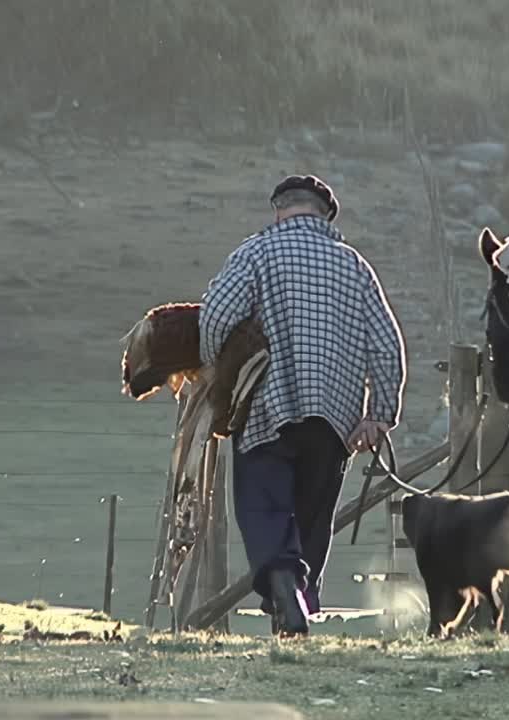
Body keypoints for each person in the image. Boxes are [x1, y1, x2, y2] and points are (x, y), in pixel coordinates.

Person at [198, 174, 407, 637]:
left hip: (266, 413)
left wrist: (221, 374)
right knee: (313, 516)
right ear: (325, 214)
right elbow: (387, 346)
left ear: (279, 210)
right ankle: (300, 607)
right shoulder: (354, 266)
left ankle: (284, 589)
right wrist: (378, 416)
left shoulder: (255, 253)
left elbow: (215, 315)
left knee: (264, 507)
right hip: (333, 420)